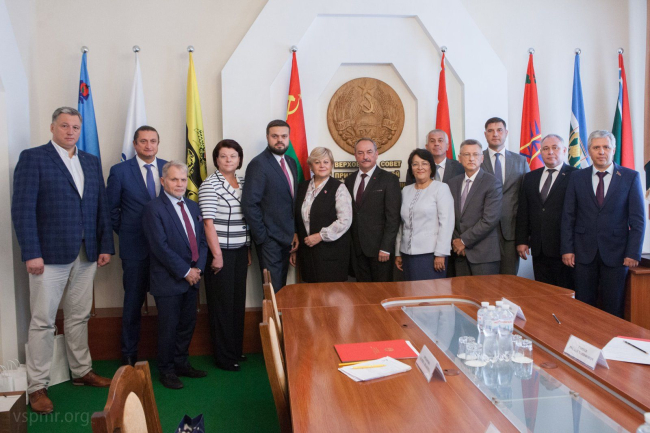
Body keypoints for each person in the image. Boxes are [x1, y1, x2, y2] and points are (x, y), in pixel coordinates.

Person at [11, 107, 114, 414]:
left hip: (87, 252)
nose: (71, 131)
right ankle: (37, 386)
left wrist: (105, 245)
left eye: (75, 127)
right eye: (64, 126)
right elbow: (23, 209)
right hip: (48, 255)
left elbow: (101, 207)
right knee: (43, 321)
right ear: (52, 127)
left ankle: (82, 371)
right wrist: (31, 252)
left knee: (79, 316)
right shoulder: (33, 158)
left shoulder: (91, 162)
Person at [561, 130, 644, 318]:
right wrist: (567, 249)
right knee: (583, 307)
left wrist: (633, 252)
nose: (601, 151)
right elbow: (568, 216)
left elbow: (638, 220)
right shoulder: (577, 177)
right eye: (596, 147)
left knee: (613, 307)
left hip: (617, 254)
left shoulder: (630, 177)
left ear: (613, 150)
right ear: (589, 150)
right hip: (582, 253)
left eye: (606, 147)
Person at [143, 161, 208, 389]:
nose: (180, 184)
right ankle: (167, 370)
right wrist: (185, 271)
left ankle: (181, 364)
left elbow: (202, 241)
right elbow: (159, 247)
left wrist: (198, 269)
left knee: (187, 325)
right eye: (174, 179)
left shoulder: (193, 206)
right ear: (163, 181)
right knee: (168, 328)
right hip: (168, 280)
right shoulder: (153, 208)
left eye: (183, 179)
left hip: (193, 279)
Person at [106, 125, 167, 367]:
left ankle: (167, 356)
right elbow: (112, 210)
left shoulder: (169, 168)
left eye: (153, 141)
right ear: (135, 144)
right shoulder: (120, 171)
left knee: (167, 303)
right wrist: (126, 232)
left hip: (166, 249)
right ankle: (129, 354)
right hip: (135, 248)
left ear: (158, 143)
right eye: (143, 141)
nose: (148, 145)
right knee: (133, 302)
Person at [198, 139, 251, 371]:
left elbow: (246, 218)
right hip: (220, 253)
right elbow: (208, 223)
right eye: (223, 156)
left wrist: (247, 248)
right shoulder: (210, 185)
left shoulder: (244, 182)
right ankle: (224, 356)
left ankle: (236, 349)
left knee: (237, 302)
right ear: (216, 160)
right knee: (222, 306)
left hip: (240, 250)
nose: (228, 160)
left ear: (239, 159)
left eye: (233, 156)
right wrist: (217, 255)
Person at [242, 120, 298, 292]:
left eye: (284, 136)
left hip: (287, 237)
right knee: (273, 291)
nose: (279, 140)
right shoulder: (258, 164)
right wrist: (263, 238)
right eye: (275, 136)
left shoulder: (291, 162)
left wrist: (294, 231)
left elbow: (291, 202)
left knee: (282, 289)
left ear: (289, 138)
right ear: (267, 137)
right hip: (269, 240)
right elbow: (249, 204)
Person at [515, 134, 576, 289]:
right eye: (546, 149)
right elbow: (524, 211)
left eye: (555, 148)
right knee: (542, 292)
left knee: (564, 293)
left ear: (564, 150)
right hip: (539, 248)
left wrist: (570, 247)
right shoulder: (530, 177)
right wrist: (522, 240)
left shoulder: (576, 176)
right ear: (540, 152)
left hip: (564, 249)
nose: (550, 152)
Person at [291, 147, 352, 282]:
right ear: (311, 166)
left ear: (331, 165)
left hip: (331, 254)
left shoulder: (339, 188)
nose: (322, 165)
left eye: (326, 162)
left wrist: (320, 236)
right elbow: (297, 216)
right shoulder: (302, 187)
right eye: (317, 162)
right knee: (310, 292)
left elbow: (345, 220)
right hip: (307, 253)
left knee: (330, 292)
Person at [344, 138, 401, 282]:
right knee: (362, 291)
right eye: (360, 153)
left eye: (369, 152)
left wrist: (386, 247)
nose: (365, 156)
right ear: (355, 156)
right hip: (357, 250)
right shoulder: (349, 180)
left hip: (380, 250)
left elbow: (393, 218)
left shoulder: (389, 179)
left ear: (376, 154)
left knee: (382, 291)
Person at [395, 149, 454, 281]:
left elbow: (447, 224)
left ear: (431, 167)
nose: (420, 167)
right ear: (411, 168)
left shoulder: (441, 188)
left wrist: (441, 254)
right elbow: (401, 224)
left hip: (431, 255)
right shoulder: (406, 190)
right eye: (415, 164)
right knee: (410, 292)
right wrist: (398, 251)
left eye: (424, 163)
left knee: (430, 292)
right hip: (407, 255)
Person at [480, 117, 529, 275]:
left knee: (509, 279)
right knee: (484, 280)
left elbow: (527, 198)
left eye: (499, 130)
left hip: (511, 232)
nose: (495, 134)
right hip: (482, 232)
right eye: (490, 131)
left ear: (506, 133)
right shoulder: (477, 159)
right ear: (485, 134)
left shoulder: (520, 161)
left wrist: (525, 237)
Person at [448, 139, 502, 276]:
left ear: (482, 158)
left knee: (484, 291)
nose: (471, 158)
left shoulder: (492, 183)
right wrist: (456, 241)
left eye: (476, 154)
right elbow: (448, 217)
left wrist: (463, 241)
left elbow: (489, 220)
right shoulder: (452, 183)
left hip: (484, 255)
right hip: (459, 253)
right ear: (459, 158)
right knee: (461, 290)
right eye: (466, 154)